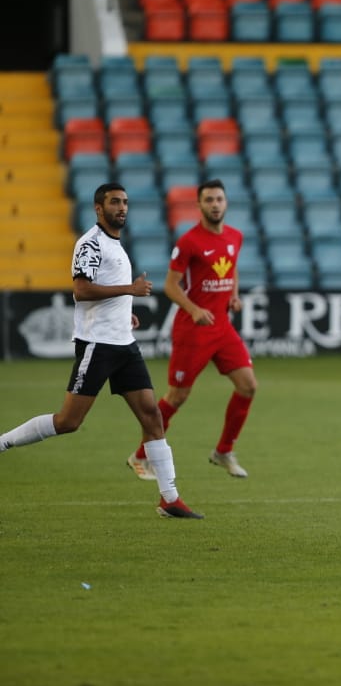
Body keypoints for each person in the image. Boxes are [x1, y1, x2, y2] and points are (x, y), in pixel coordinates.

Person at [0, 183, 204, 519]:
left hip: (123, 343)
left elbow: (105, 292)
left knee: (152, 416)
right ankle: (4, 441)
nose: (122, 207)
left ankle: (170, 499)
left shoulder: (115, 245)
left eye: (125, 202)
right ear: (98, 208)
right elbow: (81, 290)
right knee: (68, 421)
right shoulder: (90, 243)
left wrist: (125, 310)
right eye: (114, 202)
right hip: (98, 345)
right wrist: (131, 290)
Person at [127, 178, 257, 481]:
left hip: (222, 327)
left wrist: (234, 295)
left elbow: (231, 266)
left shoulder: (235, 236)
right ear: (199, 205)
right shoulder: (188, 242)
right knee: (177, 397)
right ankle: (139, 456)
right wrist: (194, 309)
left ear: (226, 203)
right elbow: (171, 286)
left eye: (219, 199)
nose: (215, 204)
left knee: (248, 385)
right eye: (209, 200)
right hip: (193, 329)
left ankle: (223, 451)